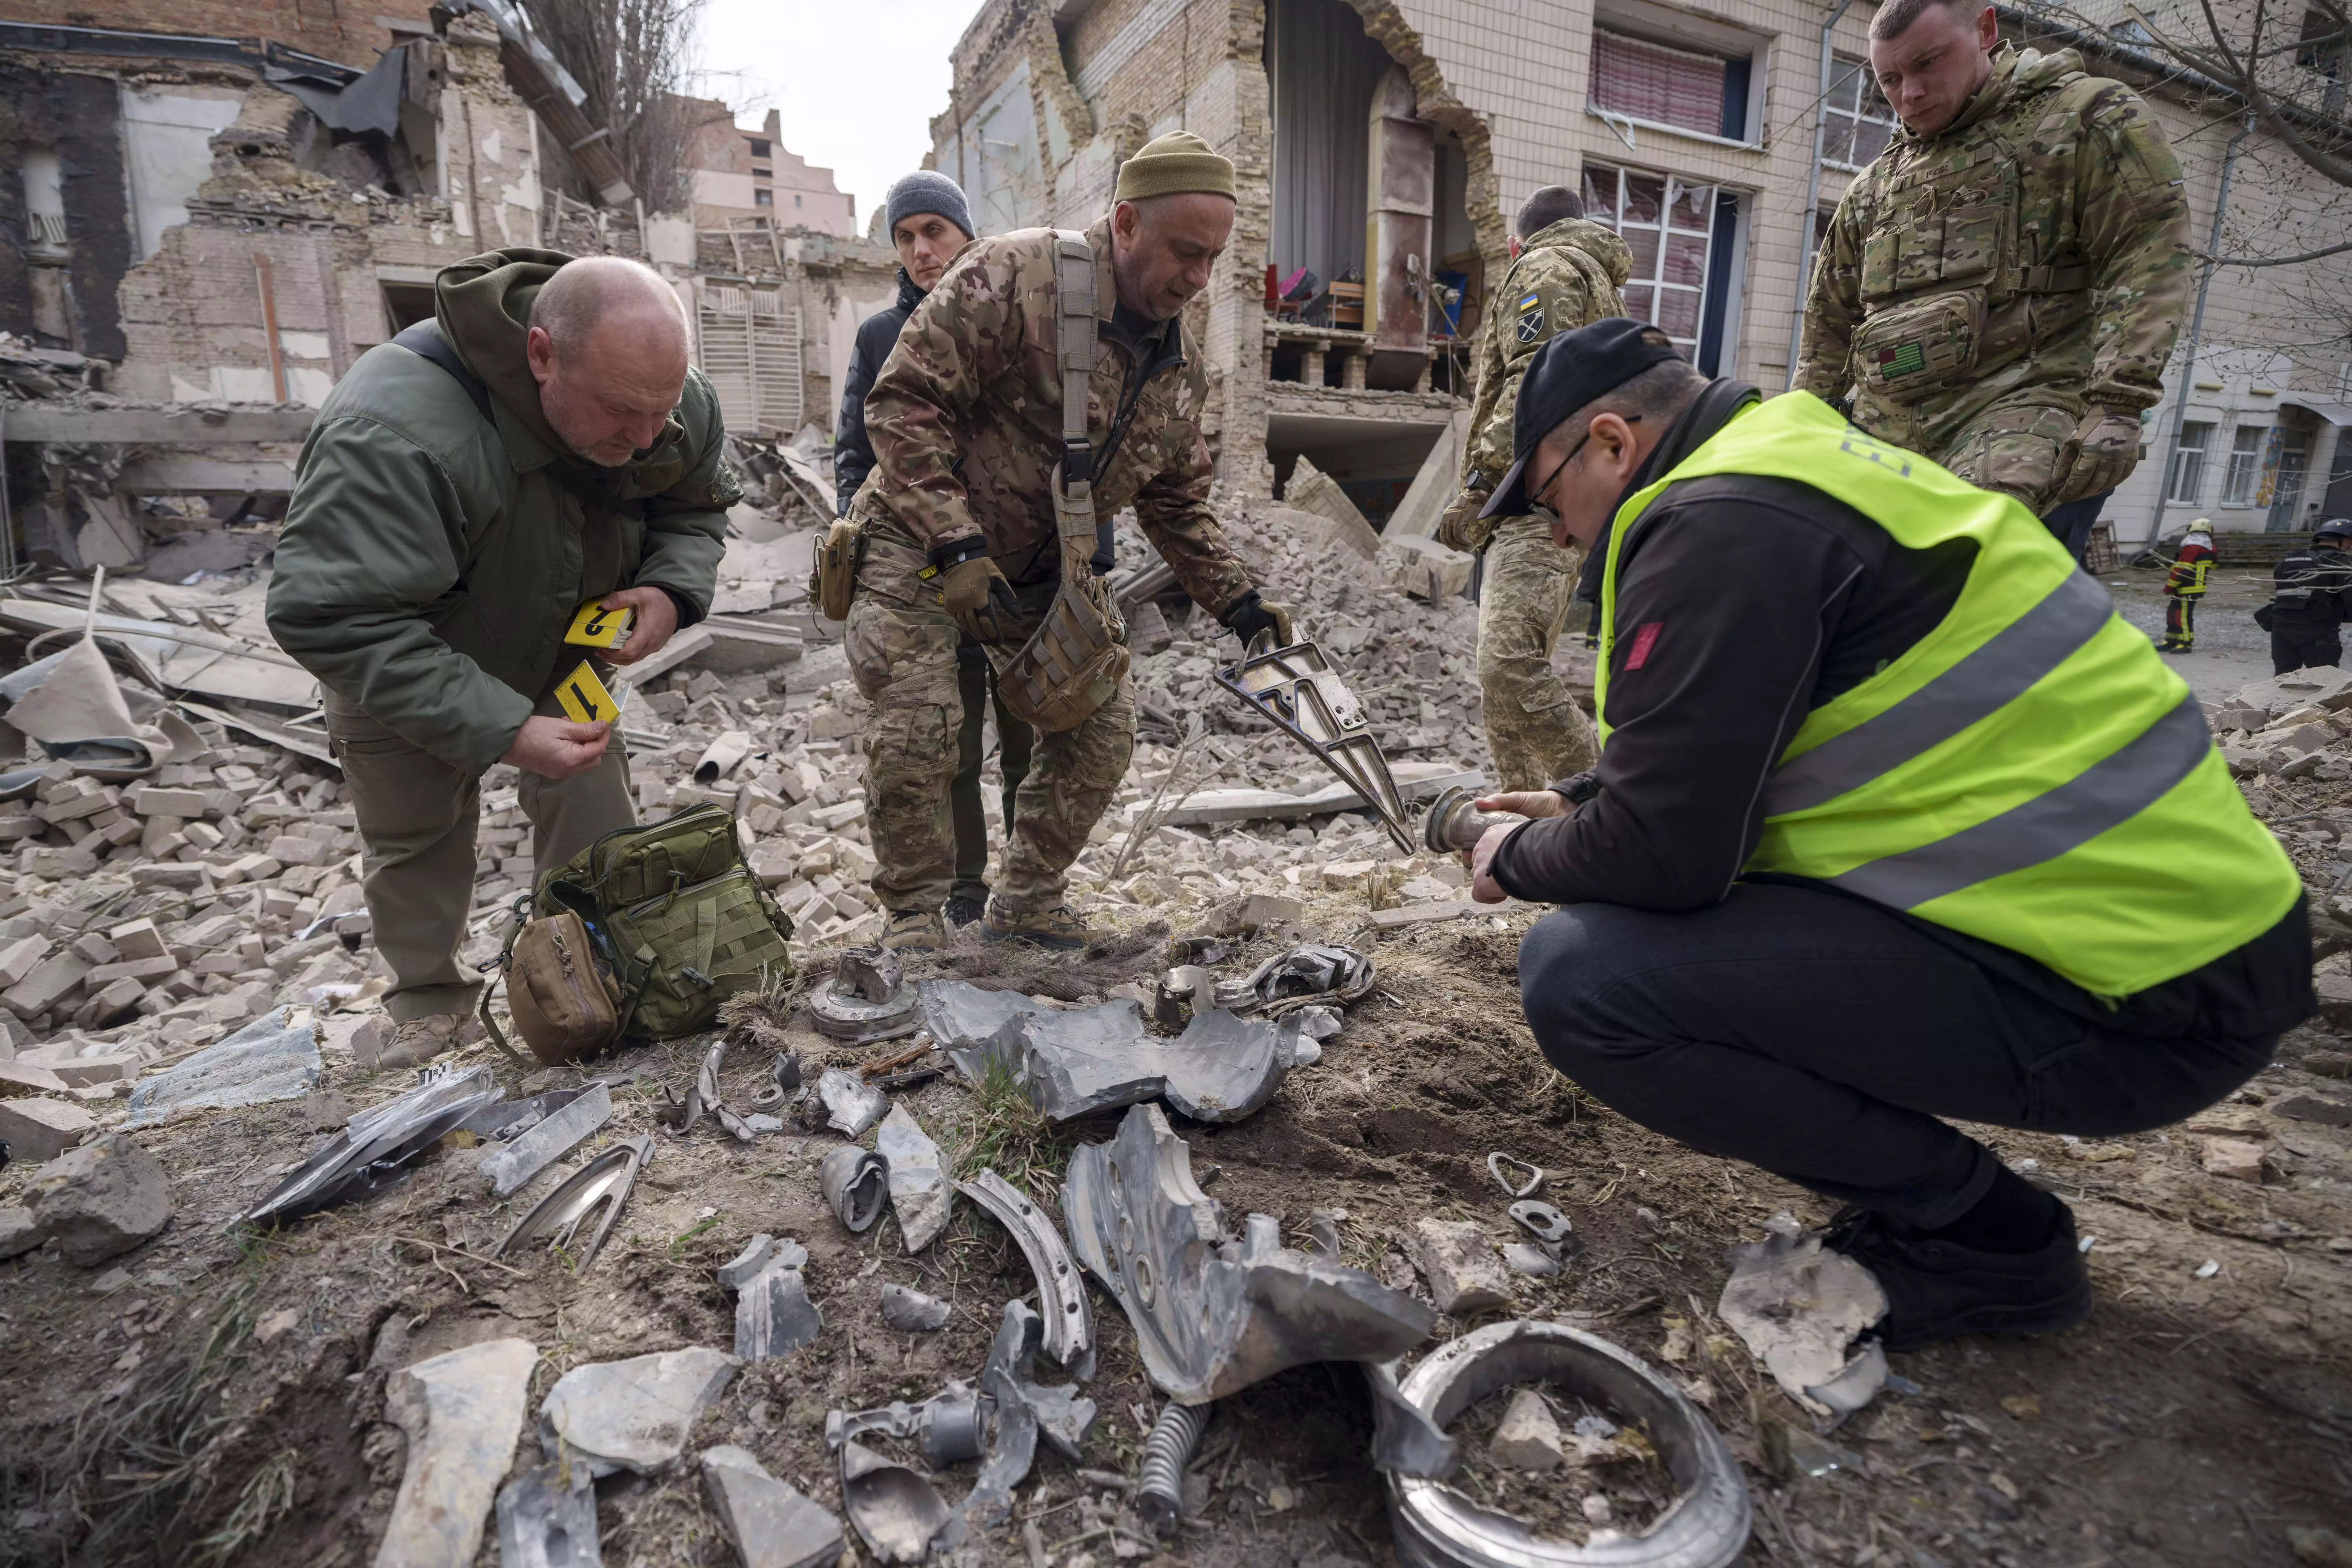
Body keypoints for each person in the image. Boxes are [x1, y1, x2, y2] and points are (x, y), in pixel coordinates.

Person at [1465, 318, 2310, 1351]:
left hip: (2141, 1007)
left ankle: (1994, 1241)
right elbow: (1781, 722)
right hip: (2190, 950)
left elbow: (1664, 857)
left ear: (1609, 441)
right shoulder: (1804, 466)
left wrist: (1514, 858)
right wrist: (1583, 798)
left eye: (1553, 498)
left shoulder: (1715, 522)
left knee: (1586, 977)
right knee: (1636, 920)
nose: (1561, 534)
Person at [269, 251, 736, 1067]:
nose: (647, 436)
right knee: (416, 836)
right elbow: (331, 614)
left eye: (662, 413)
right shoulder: (393, 432)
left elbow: (695, 505)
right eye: (623, 415)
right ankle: (428, 1005)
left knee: (593, 805)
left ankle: (595, 974)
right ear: (543, 354)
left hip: (563, 650)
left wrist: (670, 588)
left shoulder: (659, 398)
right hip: (415, 650)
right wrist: (502, 726)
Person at [851, 132, 1283, 952]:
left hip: (1033, 572)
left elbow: (1175, 501)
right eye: (1184, 254)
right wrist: (952, 539)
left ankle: (1026, 905)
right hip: (914, 543)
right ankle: (913, 923)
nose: (1197, 279)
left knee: (1101, 729)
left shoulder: (1175, 370)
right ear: (1124, 224)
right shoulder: (1014, 276)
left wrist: (1240, 603)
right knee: (921, 724)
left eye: (1212, 260)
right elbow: (900, 400)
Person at [1795, 0, 2190, 544]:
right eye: (1889, 78)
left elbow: (2149, 254)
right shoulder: (1875, 187)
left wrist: (2119, 403)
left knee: (1980, 569)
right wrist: (1804, 431)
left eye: (1928, 63)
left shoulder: (2083, 120)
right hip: (1887, 424)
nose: (1908, 93)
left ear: (1985, 30)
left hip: (2024, 407)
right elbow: (1828, 325)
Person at [834, 172, 1058, 928]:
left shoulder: (1022, 314)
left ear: (966, 232)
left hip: (1024, 564)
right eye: (905, 238)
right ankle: (963, 888)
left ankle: (1030, 891)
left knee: (1031, 733)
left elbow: (1070, 435)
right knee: (948, 740)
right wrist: (872, 553)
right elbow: (856, 456)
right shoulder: (877, 337)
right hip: (929, 571)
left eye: (934, 231)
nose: (922, 250)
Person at [1436, 184, 1628, 791]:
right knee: (1509, 675)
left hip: (1537, 496)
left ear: (1518, 244)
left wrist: (1480, 483)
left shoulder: (1543, 269)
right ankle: (1521, 823)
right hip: (1568, 497)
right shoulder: (1601, 285)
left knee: (1507, 666)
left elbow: (1531, 381)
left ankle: (1611, 798)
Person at [2257, 519, 2352, 674]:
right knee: (2323, 681)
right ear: (2345, 540)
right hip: (2318, 631)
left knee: (2283, 679)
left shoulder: (2290, 560)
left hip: (2282, 630)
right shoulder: (2342, 563)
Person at [2157, 518, 2213, 653]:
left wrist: (2170, 587)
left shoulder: (2191, 548)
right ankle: (2171, 640)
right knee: (2173, 613)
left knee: (2182, 617)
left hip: (2186, 588)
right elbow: (2214, 564)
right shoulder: (2209, 547)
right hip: (2195, 587)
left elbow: (2182, 570)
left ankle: (2186, 644)